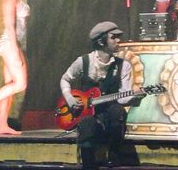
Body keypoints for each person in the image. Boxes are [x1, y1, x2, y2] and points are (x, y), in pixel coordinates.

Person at [60, 21, 144, 169]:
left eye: (119, 37)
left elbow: (123, 97)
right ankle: (88, 164)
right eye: (114, 37)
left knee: (117, 112)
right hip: (87, 113)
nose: (118, 40)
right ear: (100, 41)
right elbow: (65, 79)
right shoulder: (83, 61)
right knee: (86, 124)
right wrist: (69, 98)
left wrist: (135, 96)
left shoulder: (123, 65)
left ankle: (113, 155)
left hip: (110, 114)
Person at [0, 0, 30, 135]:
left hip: (14, 44)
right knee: (20, 84)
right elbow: (9, 26)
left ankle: (2, 125)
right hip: (10, 44)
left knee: (10, 85)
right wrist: (15, 50)